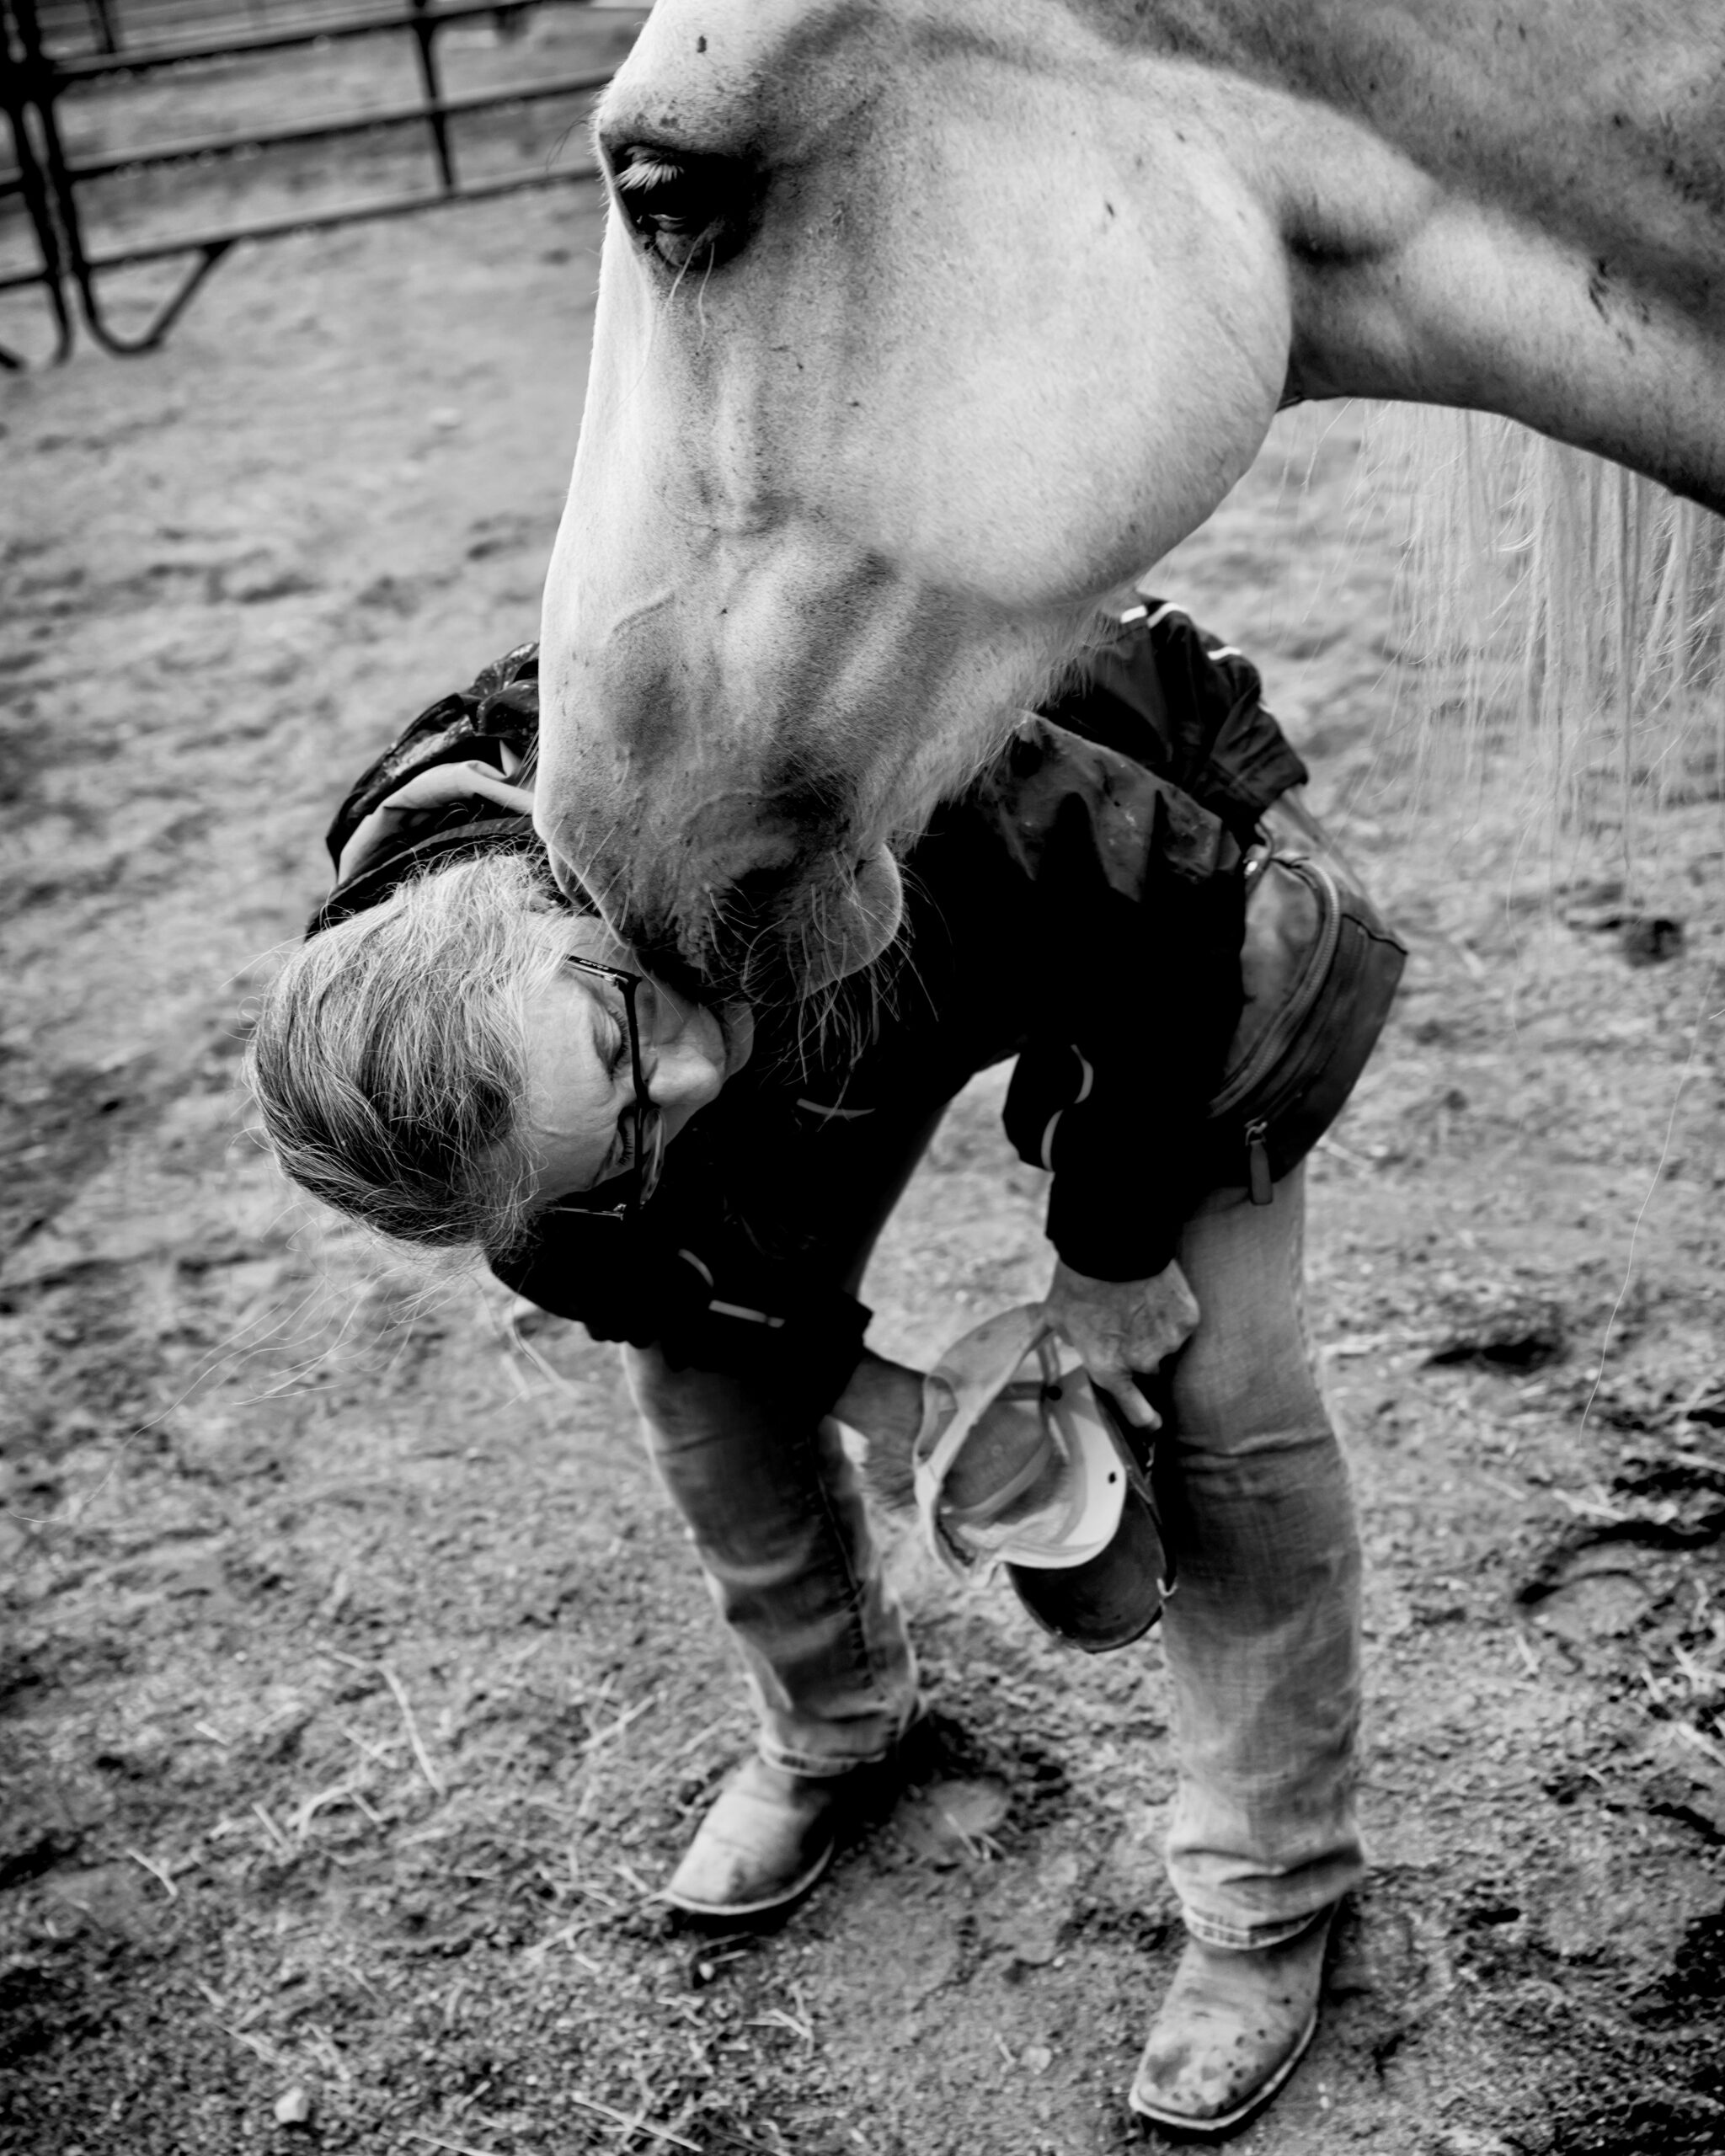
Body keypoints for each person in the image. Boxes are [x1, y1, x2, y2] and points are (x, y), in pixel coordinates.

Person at [246, 604, 1395, 2134]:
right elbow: (631, 1266)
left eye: (617, 1032)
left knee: (1225, 1396)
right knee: (702, 1379)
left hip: (1132, 883)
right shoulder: (497, 1117)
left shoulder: (776, 750)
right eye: (629, 1136)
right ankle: (839, 1726)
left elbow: (1174, 913)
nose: (693, 1077)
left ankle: (1269, 1899)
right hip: (820, 985)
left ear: (535, 892)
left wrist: (1105, 1255)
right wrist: (894, 1404)